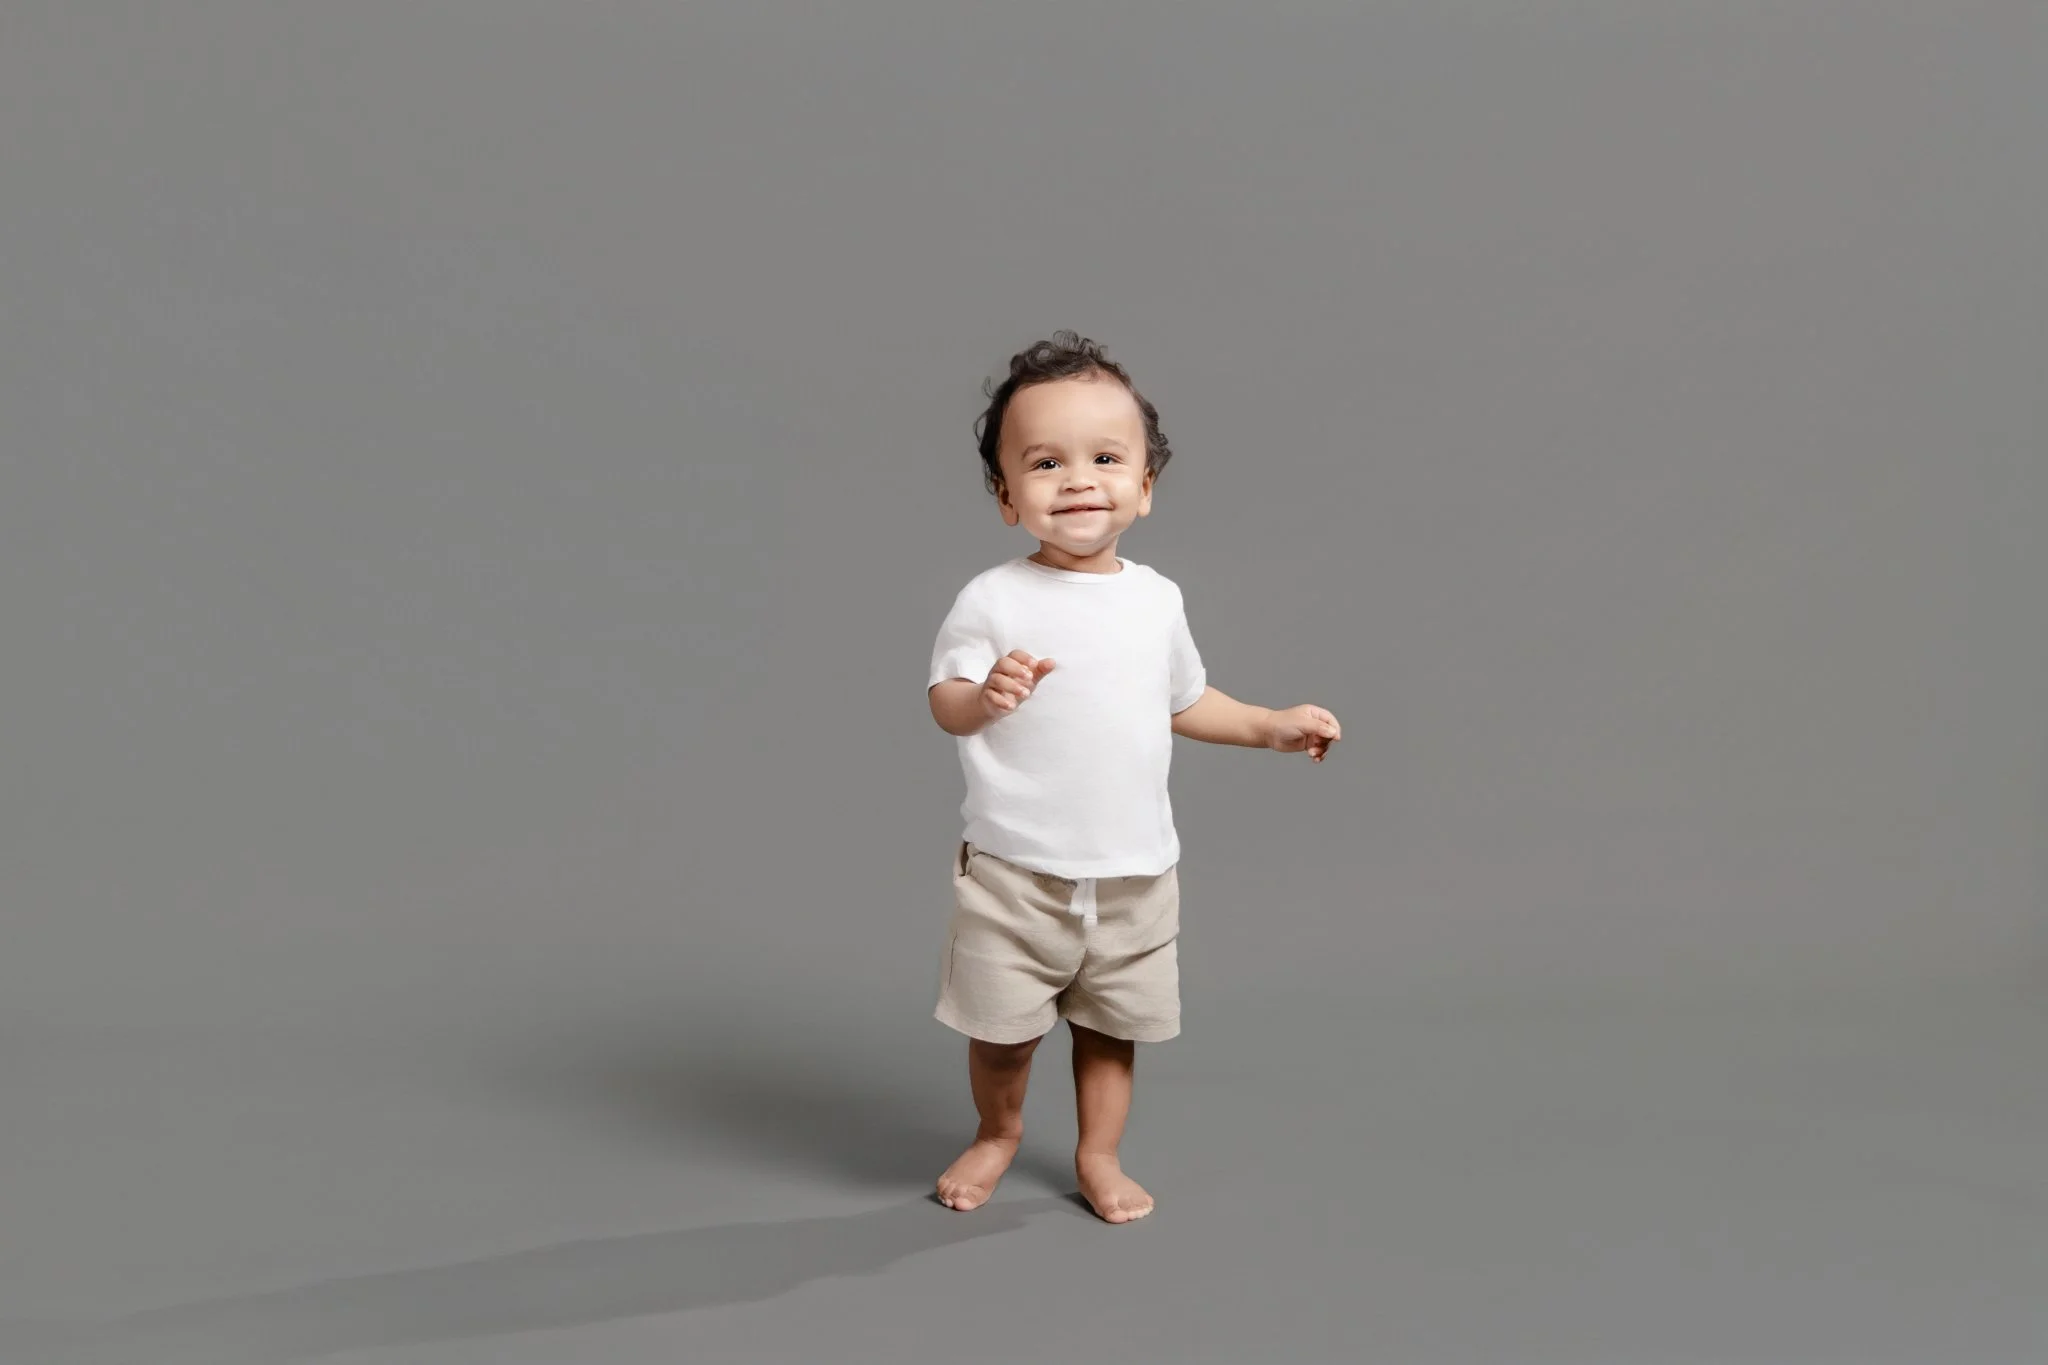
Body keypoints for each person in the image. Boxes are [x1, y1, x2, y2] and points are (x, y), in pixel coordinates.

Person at [925, 331, 1342, 1223]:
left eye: (1106, 457)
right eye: (1045, 461)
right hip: (1014, 871)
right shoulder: (992, 599)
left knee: (1112, 1029)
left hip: (1134, 873)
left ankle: (1097, 1152)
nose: (1078, 478)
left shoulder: (1156, 600)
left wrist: (1266, 725)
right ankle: (997, 1133)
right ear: (1007, 496)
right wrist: (984, 698)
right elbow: (946, 701)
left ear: (1144, 487)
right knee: (1002, 1033)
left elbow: (1183, 701)